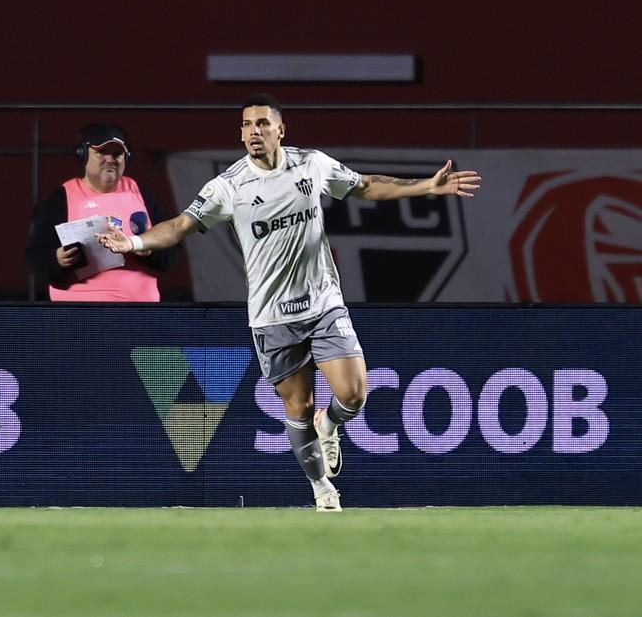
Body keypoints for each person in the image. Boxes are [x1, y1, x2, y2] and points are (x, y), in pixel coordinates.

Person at [97, 94, 480, 511]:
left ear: (281, 129)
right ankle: (322, 489)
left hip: (323, 304)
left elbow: (364, 186)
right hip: (272, 316)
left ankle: (330, 425)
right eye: (246, 125)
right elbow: (179, 226)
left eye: (262, 123)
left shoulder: (312, 165)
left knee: (353, 394)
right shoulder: (229, 186)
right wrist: (133, 241)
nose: (253, 131)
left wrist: (427, 185)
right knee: (298, 407)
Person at [27, 123, 179, 301]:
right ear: (82, 154)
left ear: (126, 158)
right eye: (101, 152)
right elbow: (36, 257)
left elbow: (172, 249)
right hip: (79, 313)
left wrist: (147, 250)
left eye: (117, 154)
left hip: (139, 311)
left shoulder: (141, 194)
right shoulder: (62, 198)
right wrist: (57, 260)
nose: (110, 159)